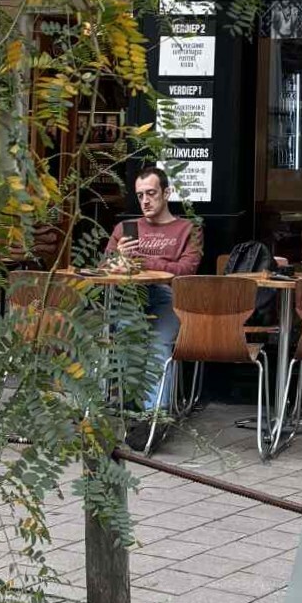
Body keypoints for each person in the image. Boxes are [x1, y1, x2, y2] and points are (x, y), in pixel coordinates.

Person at [103, 167, 203, 426]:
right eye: (140, 195)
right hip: (128, 294)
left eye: (151, 193)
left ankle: (154, 419)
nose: (145, 201)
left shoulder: (188, 228)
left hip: (168, 296)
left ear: (166, 193)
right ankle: (125, 410)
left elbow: (188, 270)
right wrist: (118, 261)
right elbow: (103, 268)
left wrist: (141, 261)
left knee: (159, 345)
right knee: (124, 339)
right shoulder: (125, 228)